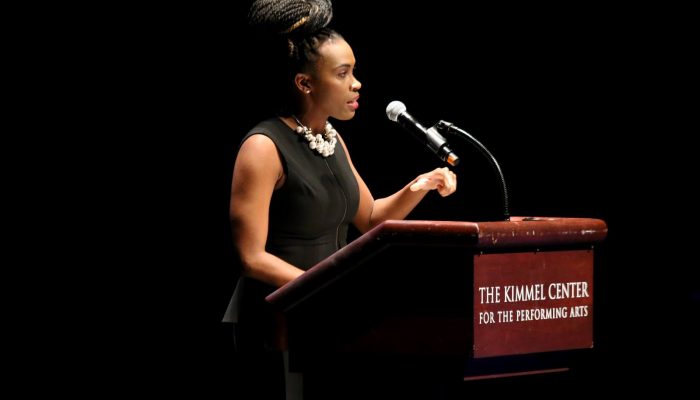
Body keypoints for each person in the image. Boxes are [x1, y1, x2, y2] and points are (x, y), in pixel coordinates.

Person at [224, 0, 457, 398]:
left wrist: (419, 185)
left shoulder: (332, 138)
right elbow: (250, 256)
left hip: (327, 319)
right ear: (305, 83)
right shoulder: (263, 147)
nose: (357, 84)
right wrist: (323, 289)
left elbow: (370, 217)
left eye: (354, 72)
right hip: (276, 326)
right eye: (343, 73)